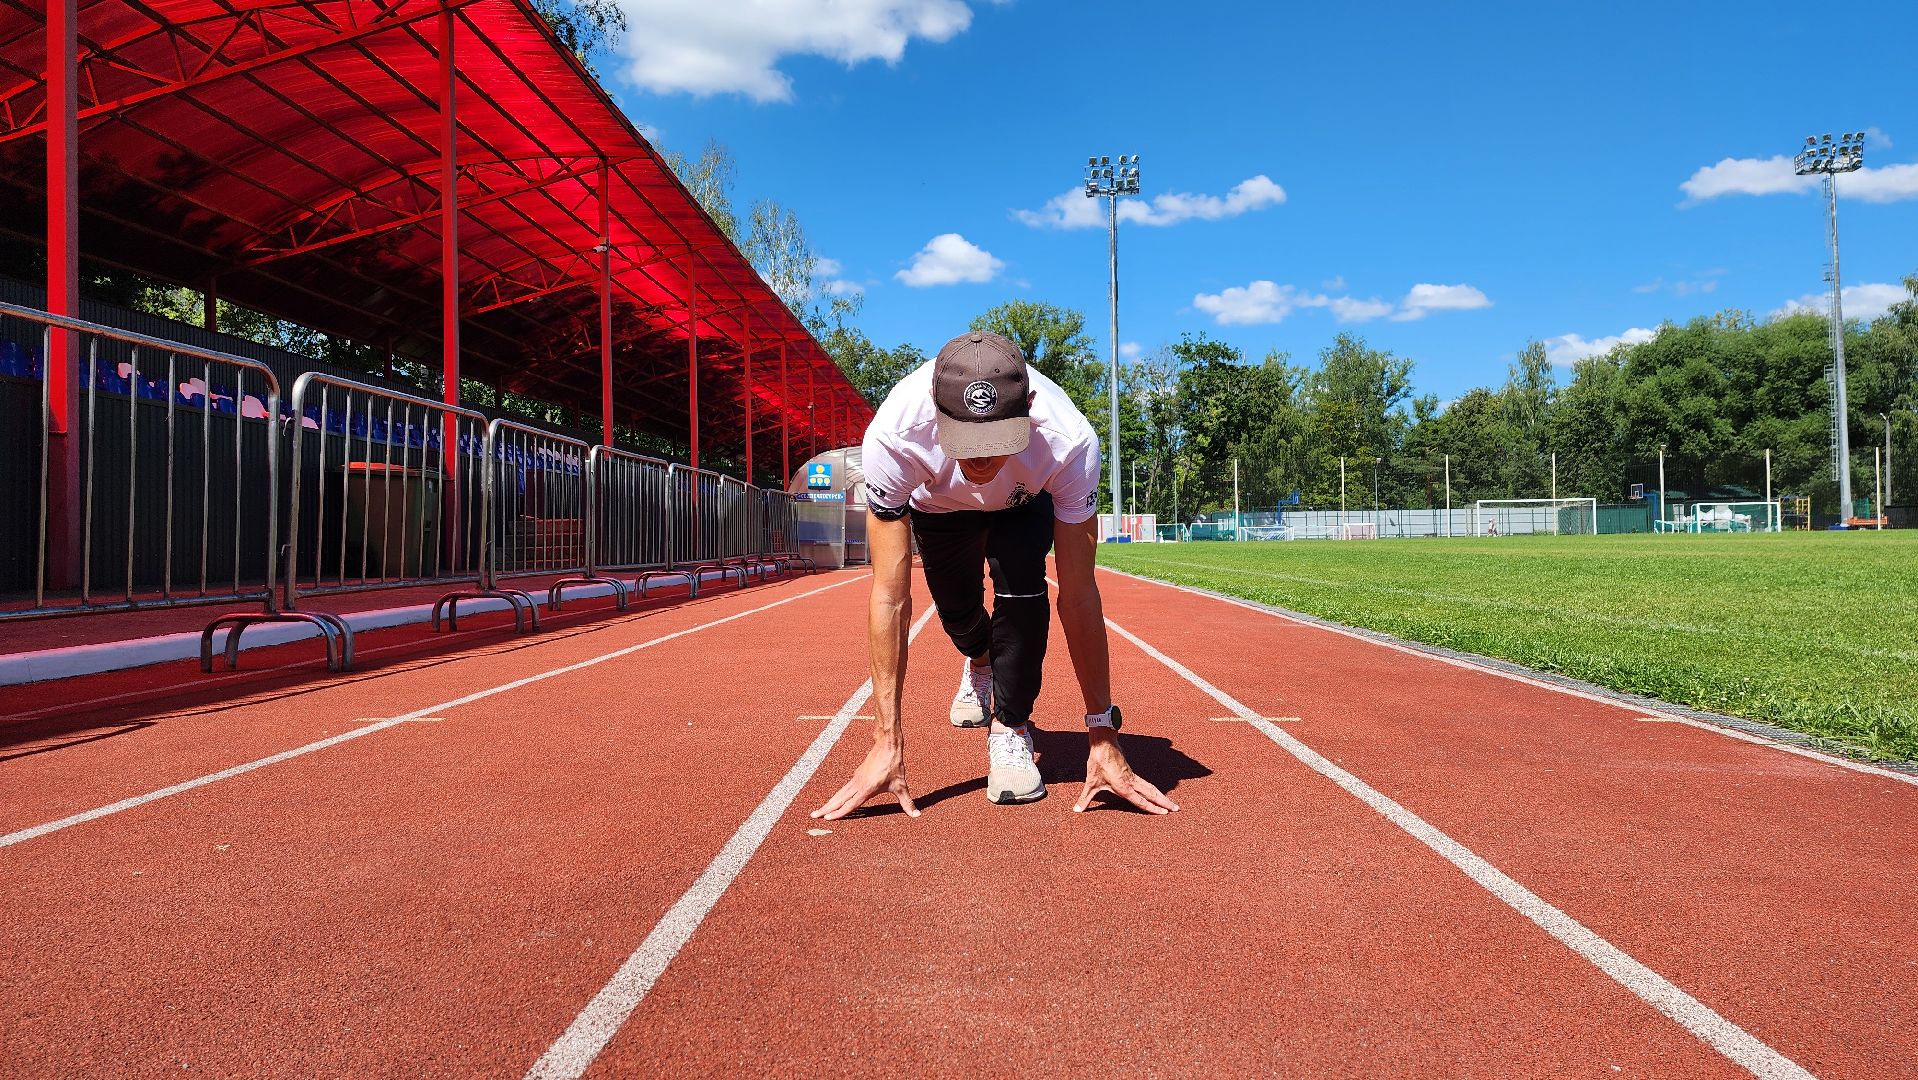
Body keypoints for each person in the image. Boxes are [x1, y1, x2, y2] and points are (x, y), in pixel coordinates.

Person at [810, 330, 1179, 820]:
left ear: (1029, 408)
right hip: (938, 508)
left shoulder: (1069, 442)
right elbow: (891, 597)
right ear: (935, 413)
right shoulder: (894, 436)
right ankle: (980, 662)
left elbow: (1078, 594)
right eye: (965, 443)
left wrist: (1102, 734)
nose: (981, 460)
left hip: (1023, 503)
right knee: (958, 615)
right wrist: (885, 741)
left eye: (997, 441)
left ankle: (1011, 727)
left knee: (1025, 594)